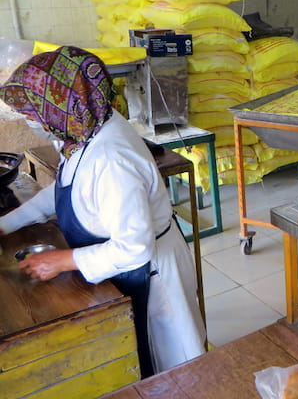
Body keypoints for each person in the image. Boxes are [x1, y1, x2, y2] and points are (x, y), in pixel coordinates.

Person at [0, 47, 206, 377]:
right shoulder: (81, 130)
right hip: (124, 271)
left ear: (60, 104)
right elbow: (67, 189)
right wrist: (7, 224)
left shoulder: (112, 158)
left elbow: (134, 247)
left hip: (151, 275)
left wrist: (63, 261)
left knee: (174, 369)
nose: (33, 121)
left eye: (34, 113)